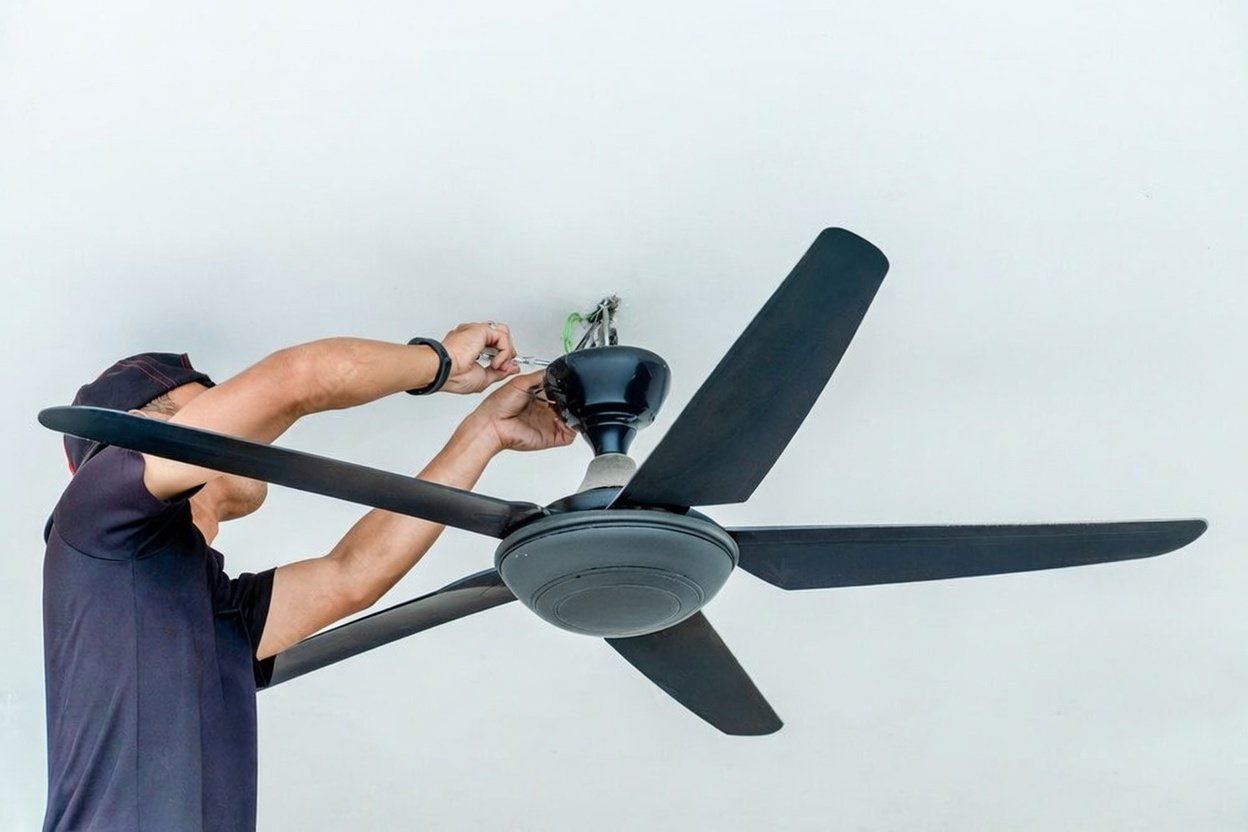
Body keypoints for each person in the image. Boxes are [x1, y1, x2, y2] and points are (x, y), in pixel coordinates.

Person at [42, 323, 576, 832]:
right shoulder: (95, 515)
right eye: (216, 401)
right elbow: (295, 381)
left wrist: (485, 432)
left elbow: (352, 574)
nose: (250, 431)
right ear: (146, 428)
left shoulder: (203, 607)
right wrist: (439, 363)